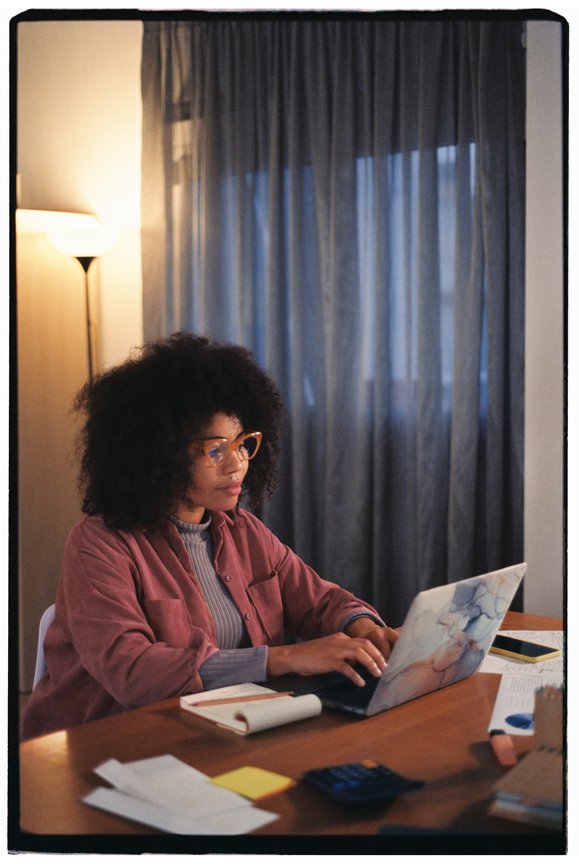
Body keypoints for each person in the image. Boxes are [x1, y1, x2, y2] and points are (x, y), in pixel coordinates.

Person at [22, 333, 398, 739]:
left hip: (223, 729)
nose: (237, 464)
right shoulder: (99, 544)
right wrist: (283, 659)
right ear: (159, 452)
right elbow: (131, 670)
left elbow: (320, 600)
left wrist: (363, 627)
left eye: (242, 444)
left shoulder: (242, 530)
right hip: (108, 744)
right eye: (215, 449)